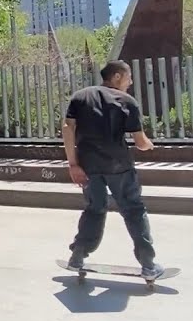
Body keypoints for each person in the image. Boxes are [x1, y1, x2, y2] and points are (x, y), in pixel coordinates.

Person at [62, 60, 165, 279]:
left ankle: (78, 256)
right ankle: (148, 264)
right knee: (133, 210)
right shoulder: (127, 101)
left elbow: (67, 128)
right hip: (119, 166)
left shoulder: (80, 96)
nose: (130, 82)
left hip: (89, 166)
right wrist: (149, 144)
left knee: (94, 208)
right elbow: (140, 142)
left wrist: (73, 164)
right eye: (128, 77)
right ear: (117, 76)